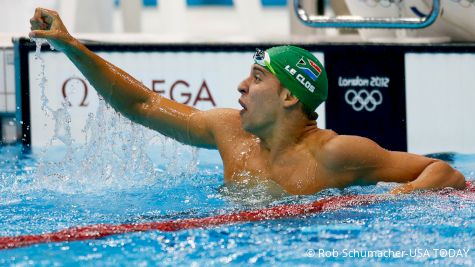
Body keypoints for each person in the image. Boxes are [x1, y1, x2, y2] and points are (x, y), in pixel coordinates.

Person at [29, 8, 466, 195]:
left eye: (256, 78)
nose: (240, 87)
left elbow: (444, 171)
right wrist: (72, 47)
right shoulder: (227, 132)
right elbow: (143, 104)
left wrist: (391, 199)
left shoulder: (336, 154)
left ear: (290, 95)